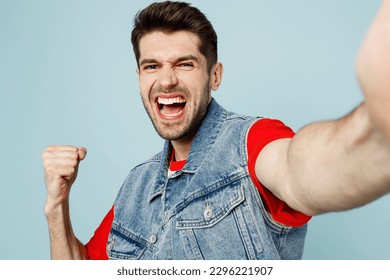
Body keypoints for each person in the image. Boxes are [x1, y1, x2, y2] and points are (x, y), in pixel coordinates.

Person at [42, 1, 390, 260]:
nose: (166, 80)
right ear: (139, 79)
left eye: (184, 64)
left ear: (215, 76)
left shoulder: (250, 142)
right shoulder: (136, 187)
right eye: (152, 66)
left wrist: (373, 128)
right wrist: (57, 207)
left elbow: (299, 169)